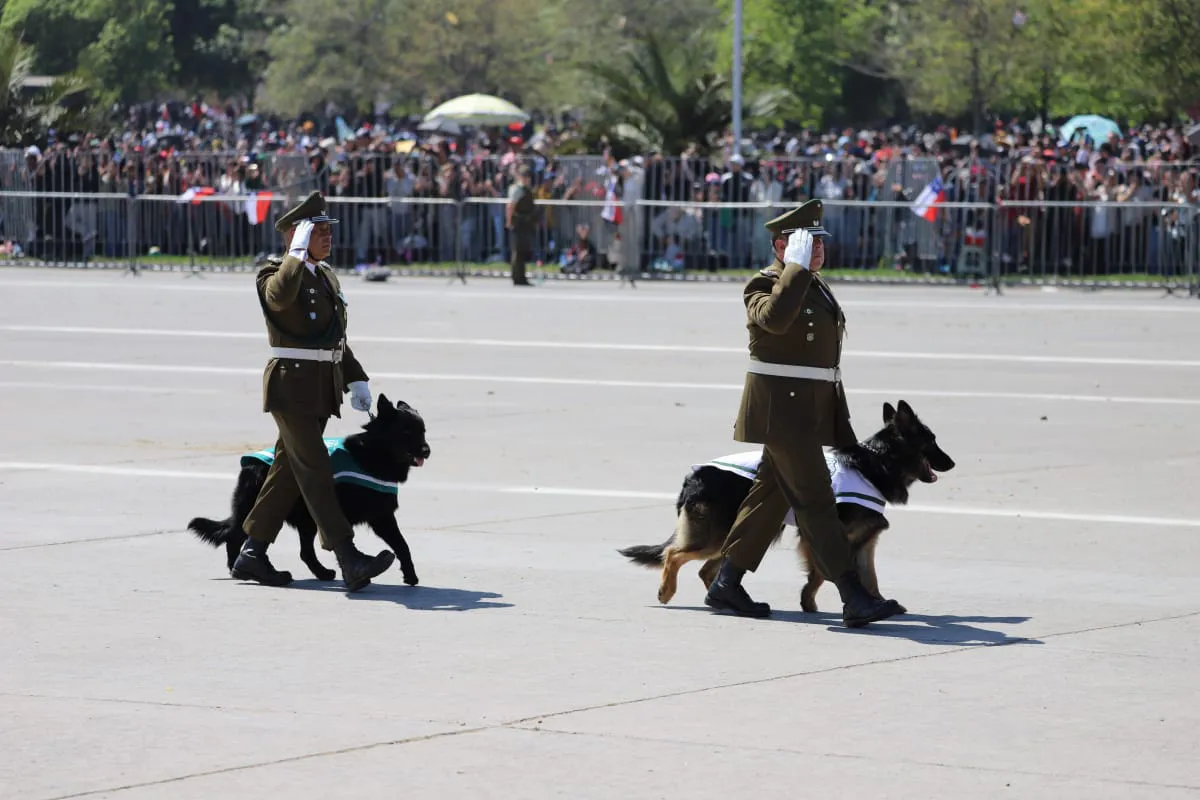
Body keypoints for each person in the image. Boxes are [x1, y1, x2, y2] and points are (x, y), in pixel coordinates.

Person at [704, 199, 905, 628]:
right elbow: (775, 321)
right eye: (806, 244)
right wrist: (793, 269)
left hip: (807, 408)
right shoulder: (765, 284)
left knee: (769, 499)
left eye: (819, 243)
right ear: (782, 246)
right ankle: (854, 595)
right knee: (816, 500)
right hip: (781, 412)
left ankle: (727, 581)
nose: (817, 250)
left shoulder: (813, 283)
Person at [230, 191, 396, 593]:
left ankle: (251, 554)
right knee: (316, 470)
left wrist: (356, 377)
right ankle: (347, 556)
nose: (327, 237)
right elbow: (279, 298)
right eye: (316, 230)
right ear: (293, 235)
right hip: (291, 388)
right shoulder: (273, 274)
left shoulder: (324, 275)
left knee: (286, 475)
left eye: (326, 230)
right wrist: (295, 255)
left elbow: (334, 338)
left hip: (320, 390)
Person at [506, 164, 536, 286]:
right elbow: (510, 206)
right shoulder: (516, 189)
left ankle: (522, 276)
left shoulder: (526, 189)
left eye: (528, 176)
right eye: (524, 175)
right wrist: (509, 221)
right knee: (517, 251)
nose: (526, 178)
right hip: (518, 222)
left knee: (523, 250)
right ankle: (517, 277)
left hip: (526, 223)